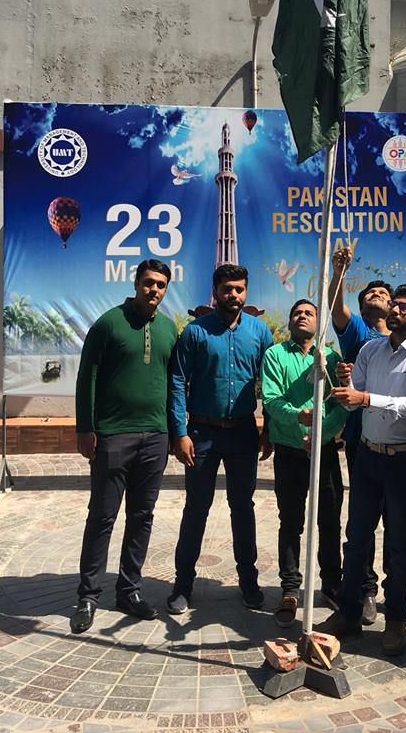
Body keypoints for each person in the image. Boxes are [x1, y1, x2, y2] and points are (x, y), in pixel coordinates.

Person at [317, 284, 406, 656]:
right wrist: (344, 386)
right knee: (356, 539)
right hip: (367, 457)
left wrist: (364, 397)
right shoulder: (369, 351)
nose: (396, 310)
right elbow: (353, 404)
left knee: (399, 542)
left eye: (405, 307)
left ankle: (396, 619)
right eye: (395, 304)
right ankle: (349, 613)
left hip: (403, 461)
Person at [70, 259, 178, 634]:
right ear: (135, 283)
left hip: (156, 436)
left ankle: (129, 591)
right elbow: (87, 377)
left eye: (161, 284)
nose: (154, 289)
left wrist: (174, 431)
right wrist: (86, 428)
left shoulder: (168, 329)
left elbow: (174, 383)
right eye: (148, 282)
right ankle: (88, 596)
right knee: (102, 516)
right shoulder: (109, 323)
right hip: (113, 435)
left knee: (141, 517)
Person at [166, 263, 273, 614]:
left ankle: (249, 581)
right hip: (202, 433)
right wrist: (180, 433)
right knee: (196, 508)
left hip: (243, 433)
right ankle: (183, 584)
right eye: (227, 289)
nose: (233, 295)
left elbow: (271, 384)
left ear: (246, 291)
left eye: (239, 289)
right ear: (215, 292)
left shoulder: (259, 332)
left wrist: (270, 428)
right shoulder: (196, 332)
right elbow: (177, 381)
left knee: (242, 508)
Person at [261, 299, 350, 628]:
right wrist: (300, 418)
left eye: (309, 313)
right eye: (296, 313)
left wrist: (321, 432)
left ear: (318, 322)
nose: (302, 316)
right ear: (289, 321)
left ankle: (331, 583)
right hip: (290, 452)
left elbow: (341, 404)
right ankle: (290, 589)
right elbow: (271, 400)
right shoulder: (275, 355)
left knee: (329, 520)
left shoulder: (331, 358)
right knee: (291, 521)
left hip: (324, 452)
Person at [328, 245, 394, 624]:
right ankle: (366, 589)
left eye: (383, 293)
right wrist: (340, 271)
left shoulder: (405, 341)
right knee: (364, 517)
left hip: (400, 442)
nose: (377, 296)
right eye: (370, 293)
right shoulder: (358, 332)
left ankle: (395, 593)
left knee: (396, 520)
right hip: (361, 439)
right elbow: (336, 307)